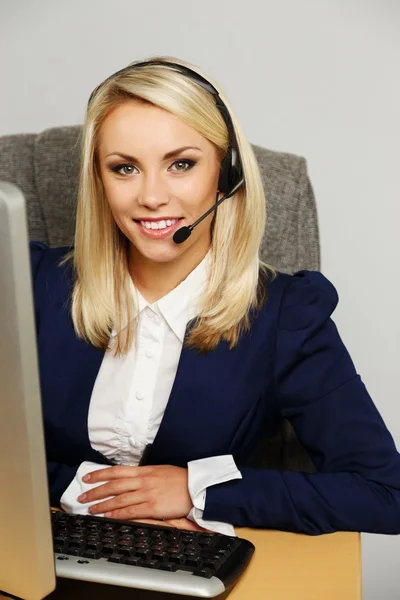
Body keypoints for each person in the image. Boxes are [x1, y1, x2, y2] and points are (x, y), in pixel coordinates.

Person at [30, 56, 400, 537]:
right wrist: (75, 486)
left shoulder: (286, 317)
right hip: (41, 550)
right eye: (125, 169)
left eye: (181, 164)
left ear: (226, 175)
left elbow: (384, 495)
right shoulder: (32, 283)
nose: (152, 196)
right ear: (98, 181)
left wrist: (196, 490)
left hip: (194, 563)